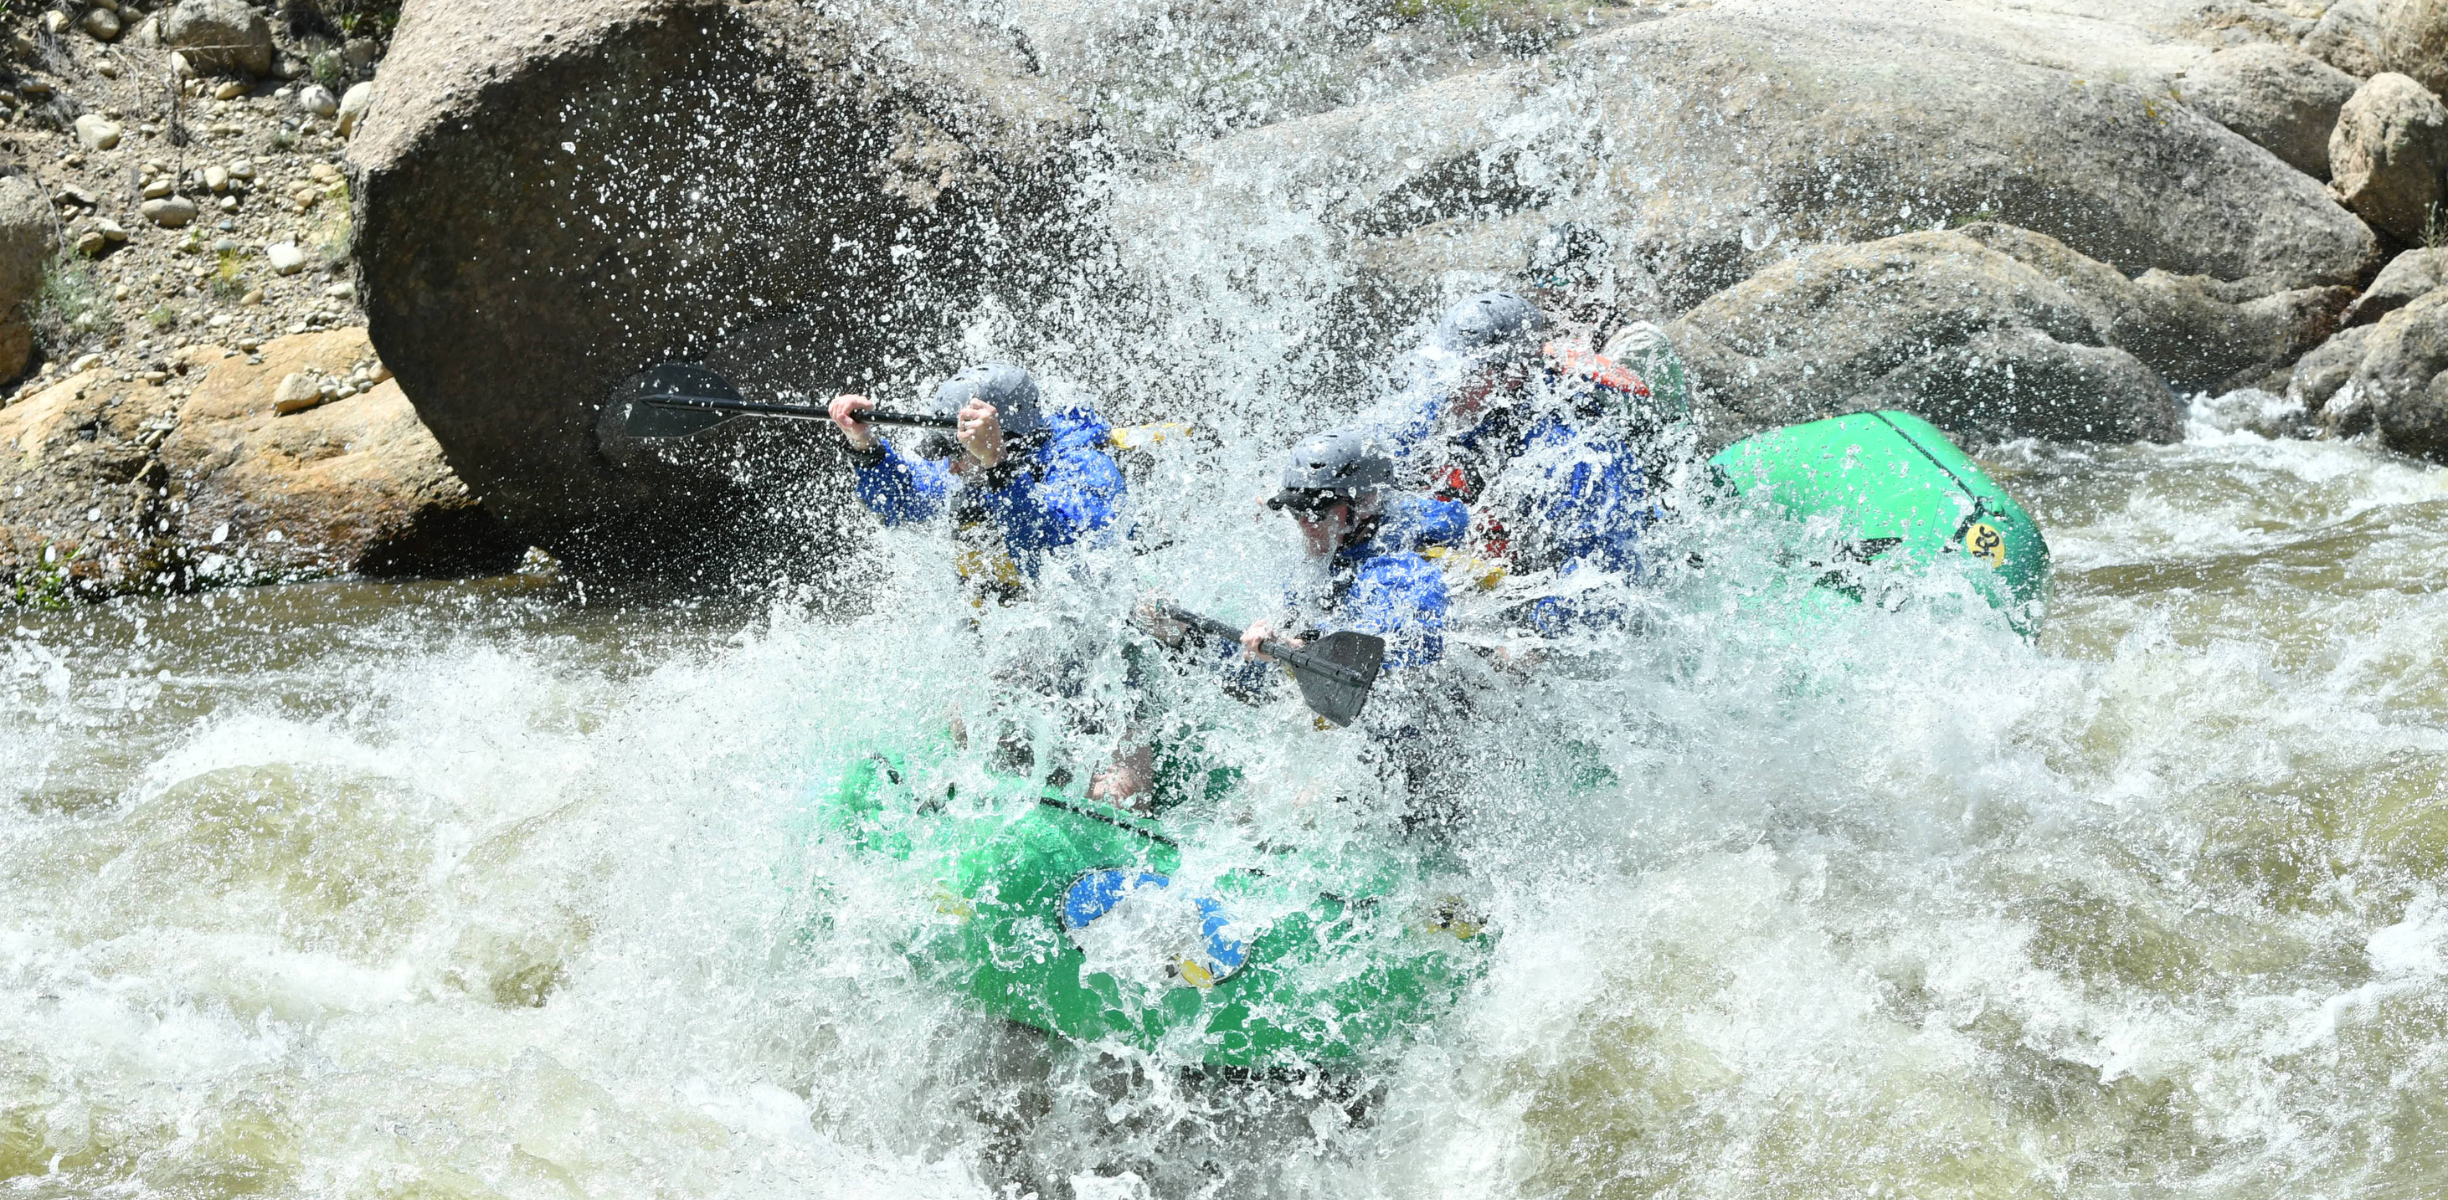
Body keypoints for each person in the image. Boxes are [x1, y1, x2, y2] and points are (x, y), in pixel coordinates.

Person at [1098, 429, 1464, 807]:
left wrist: (1295, 649)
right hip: (1343, 745)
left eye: (1318, 507)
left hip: (1407, 775)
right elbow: (1264, 689)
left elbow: (1385, 673)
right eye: (1295, 509)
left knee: (1288, 802)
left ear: (1367, 502)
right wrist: (1183, 637)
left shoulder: (1407, 574)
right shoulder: (1320, 565)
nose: (1305, 522)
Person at [1367, 290, 1676, 636]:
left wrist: (1525, 640)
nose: (1447, 383)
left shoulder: (1576, 455)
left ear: (1510, 377)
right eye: (1443, 368)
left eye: (1463, 373)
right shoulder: (1451, 402)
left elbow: (1605, 580)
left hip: (1587, 578)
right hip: (1508, 554)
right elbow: (1375, 451)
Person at [828, 363, 1127, 599]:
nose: (952, 469)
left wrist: (998, 467)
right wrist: (865, 446)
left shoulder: (1083, 469)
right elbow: (902, 503)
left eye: (960, 452)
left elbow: (1057, 558)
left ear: (1006, 442)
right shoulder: (969, 479)